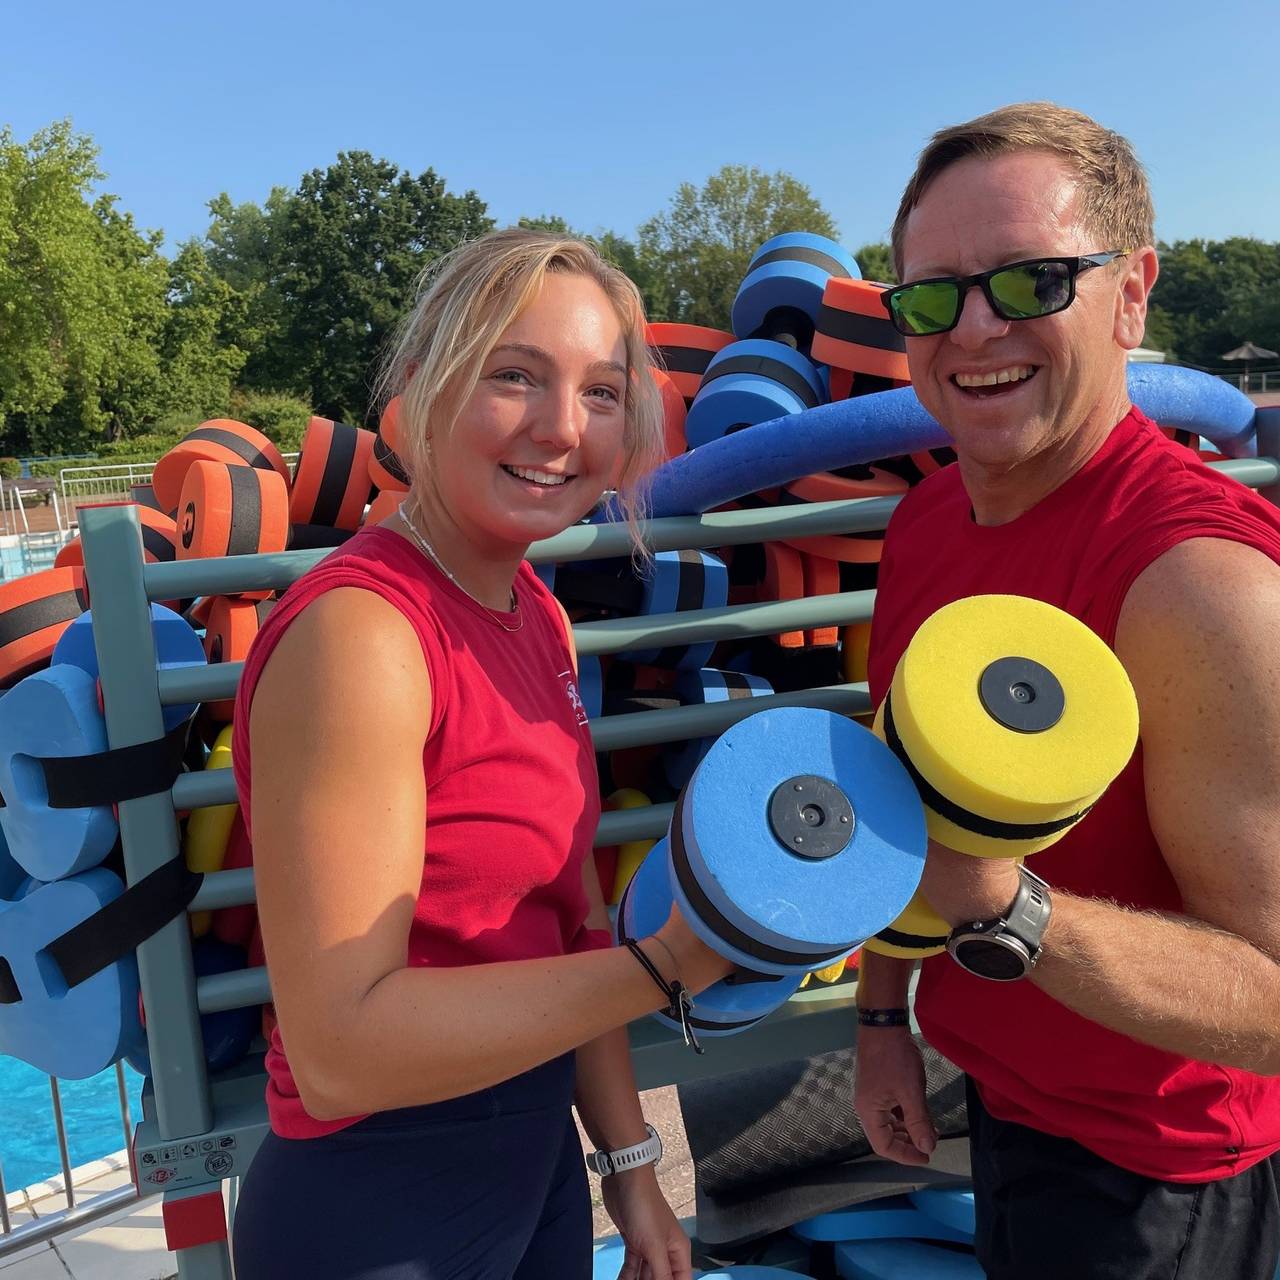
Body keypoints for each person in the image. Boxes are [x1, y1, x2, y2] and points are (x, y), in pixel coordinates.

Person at [229, 229, 733, 1280]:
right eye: (515, 375)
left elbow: (567, 916)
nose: (561, 427)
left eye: (601, 392)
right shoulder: (363, 635)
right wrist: (663, 968)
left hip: (530, 1164)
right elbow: (339, 1052)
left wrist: (629, 1169)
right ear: (423, 392)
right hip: (379, 1204)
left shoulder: (534, 611)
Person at [851, 103, 1280, 1280]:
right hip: (1002, 1099)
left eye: (1030, 280)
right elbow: (908, 786)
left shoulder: (1201, 584)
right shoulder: (924, 518)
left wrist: (1001, 902)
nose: (972, 327)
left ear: (1129, 295)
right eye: (931, 296)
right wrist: (882, 1017)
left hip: (1160, 1178)